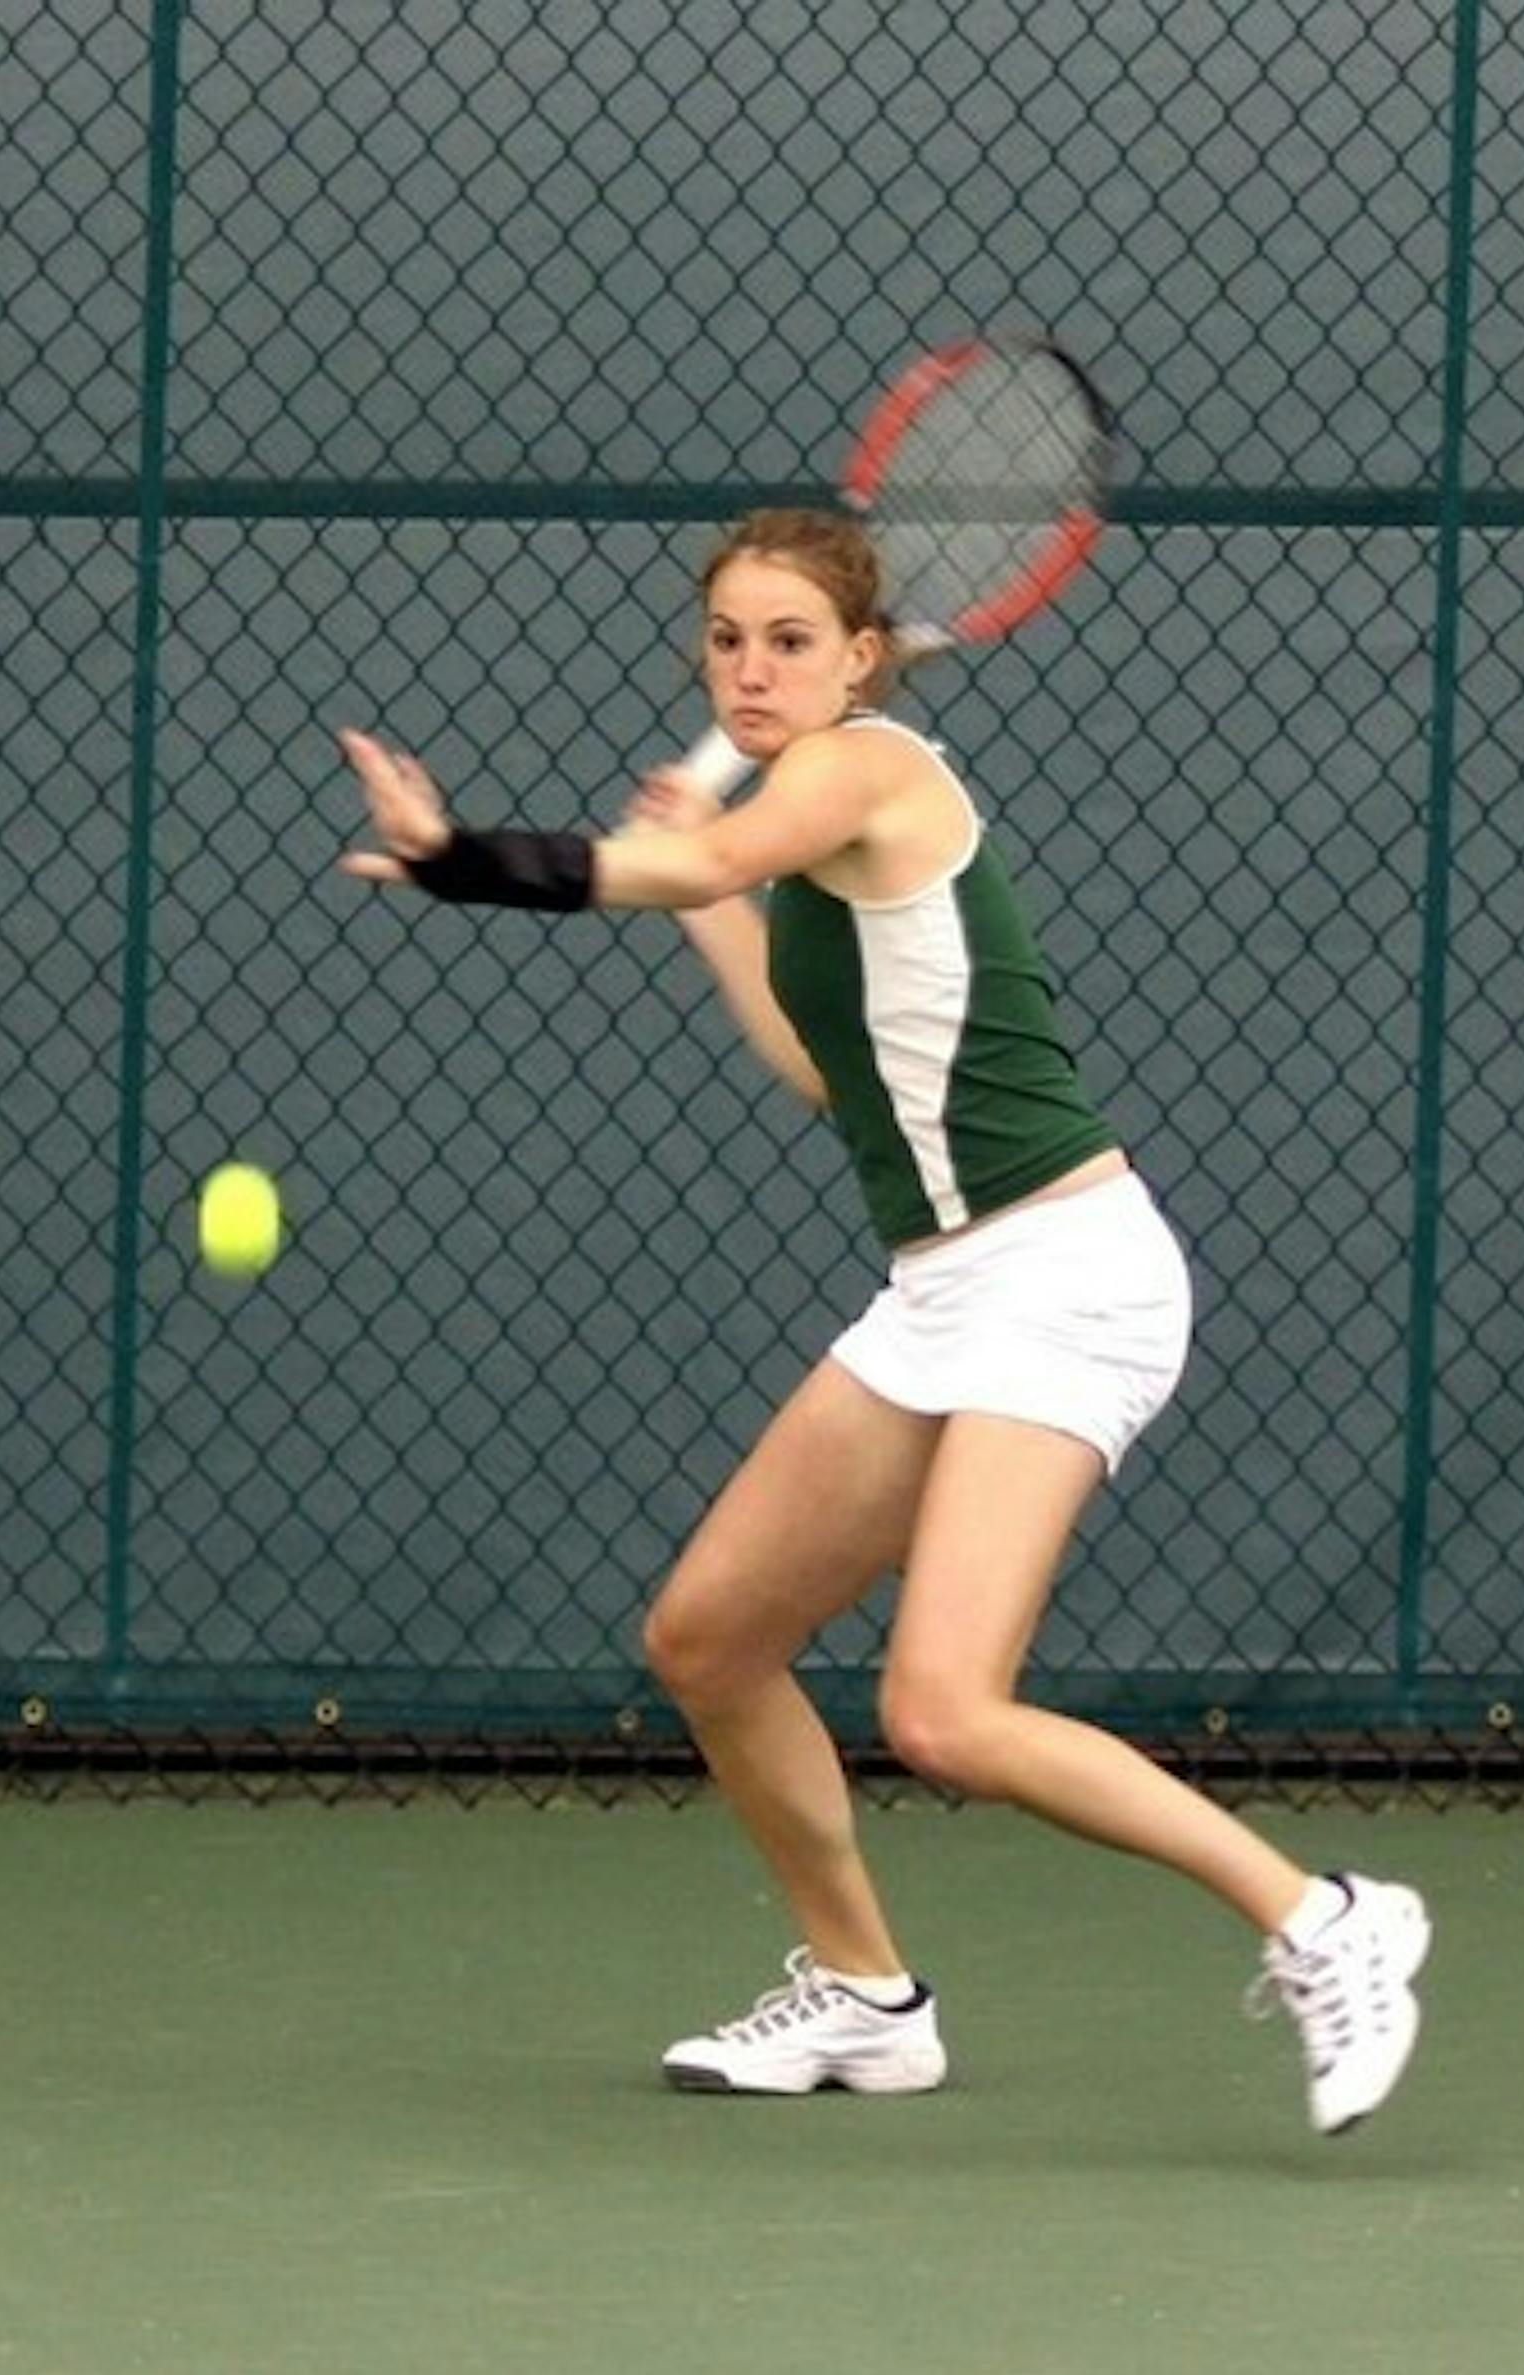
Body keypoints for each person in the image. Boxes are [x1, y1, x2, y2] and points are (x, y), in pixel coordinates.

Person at [337, 507, 1430, 2136]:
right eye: (726, 638)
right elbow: (818, 1062)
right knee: (709, 1641)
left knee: (943, 1712)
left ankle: (1323, 1919)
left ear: (859, 657)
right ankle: (864, 1998)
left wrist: (467, 859)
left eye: (789, 640)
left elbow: (701, 854)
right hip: (944, 1291)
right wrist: (708, 905)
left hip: (1067, 1274)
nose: (752, 668)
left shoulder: (867, 767)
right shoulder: (802, 824)